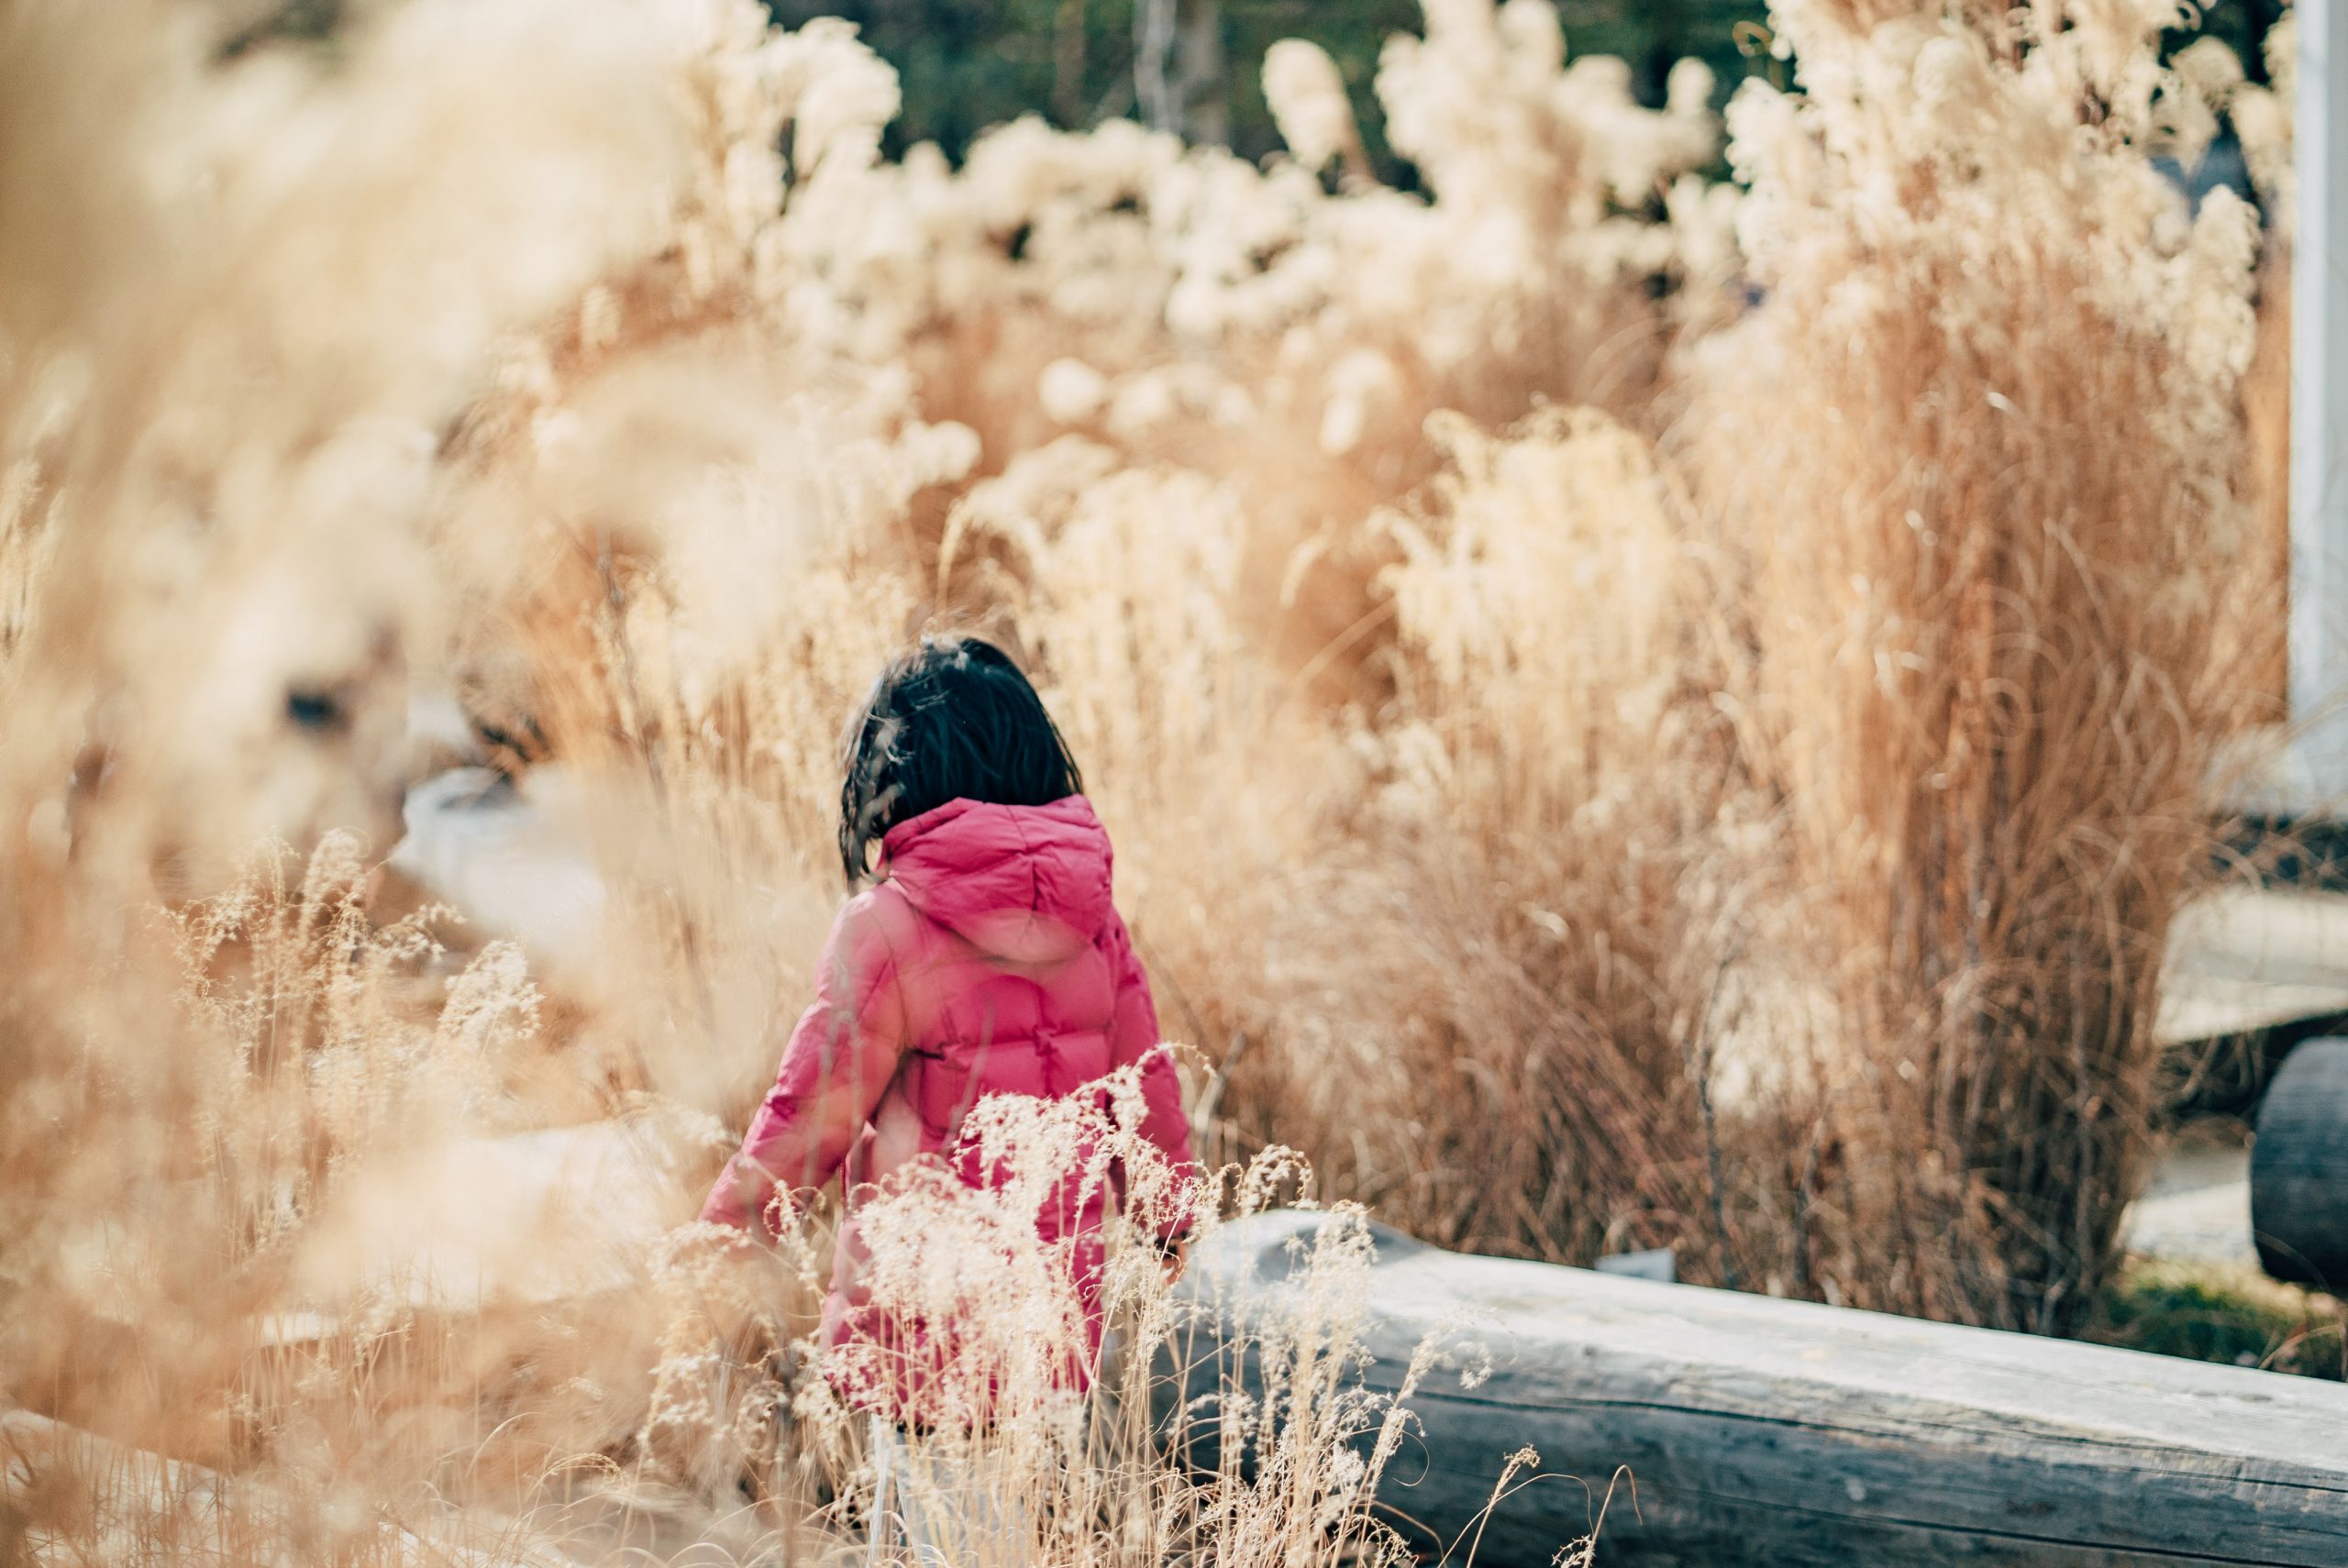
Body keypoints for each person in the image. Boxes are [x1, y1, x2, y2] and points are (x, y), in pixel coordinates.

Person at [698, 634, 1199, 1557]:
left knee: (938, 1539)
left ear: (892, 779)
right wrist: (1170, 1222)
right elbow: (1146, 1087)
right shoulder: (1094, 917)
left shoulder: (885, 927)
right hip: (1053, 1328)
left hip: (925, 1335)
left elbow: (813, 1114)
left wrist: (724, 1232)